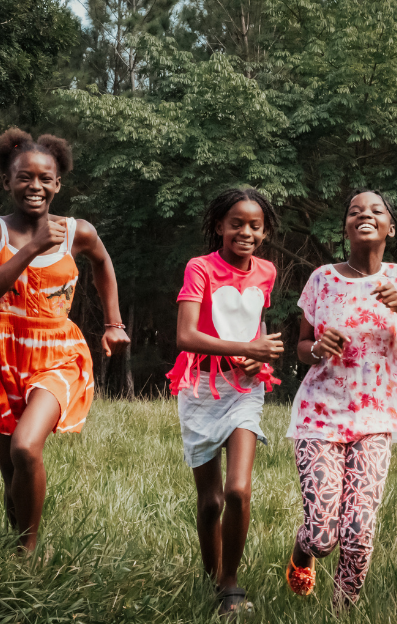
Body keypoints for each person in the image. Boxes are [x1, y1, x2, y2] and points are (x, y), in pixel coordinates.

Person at [0, 128, 130, 552]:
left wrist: (114, 323)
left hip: (58, 354)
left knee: (25, 448)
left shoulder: (78, 231)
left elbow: (103, 263)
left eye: (45, 178)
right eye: (24, 177)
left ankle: (28, 553)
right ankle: (18, 534)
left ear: (58, 184)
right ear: (8, 181)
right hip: (4, 355)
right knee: (12, 481)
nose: (35, 186)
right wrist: (32, 248)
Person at [284, 189, 397, 610]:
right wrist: (317, 347)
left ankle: (341, 613)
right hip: (319, 414)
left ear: (391, 226)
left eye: (375, 211)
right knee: (322, 534)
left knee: (358, 532)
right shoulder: (322, 278)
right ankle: (302, 552)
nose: (364, 216)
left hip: (375, 416)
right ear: (346, 228)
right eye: (355, 212)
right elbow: (300, 346)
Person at [168, 187, 284, 619]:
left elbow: (253, 320)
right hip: (199, 386)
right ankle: (211, 574)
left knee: (237, 489)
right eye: (236, 223)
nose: (246, 232)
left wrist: (259, 355)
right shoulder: (200, 268)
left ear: (265, 232)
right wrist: (248, 347)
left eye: (255, 225)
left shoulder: (267, 272)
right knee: (211, 501)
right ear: (219, 226)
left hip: (244, 390)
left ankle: (231, 583)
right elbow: (185, 336)